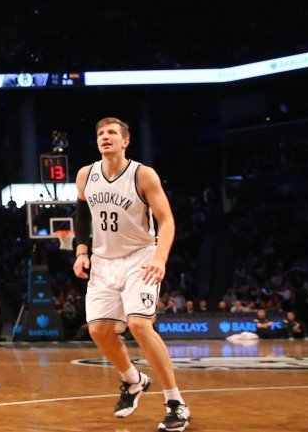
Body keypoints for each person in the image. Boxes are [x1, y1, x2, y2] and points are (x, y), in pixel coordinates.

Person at [72, 117, 191, 431]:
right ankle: (133, 380)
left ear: (125, 141)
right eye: (100, 133)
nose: (105, 137)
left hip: (140, 259)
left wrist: (160, 259)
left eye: (112, 132)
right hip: (103, 261)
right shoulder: (86, 174)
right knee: (98, 330)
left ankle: (175, 402)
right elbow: (82, 215)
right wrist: (81, 252)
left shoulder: (143, 174)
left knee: (139, 323)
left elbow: (166, 221)